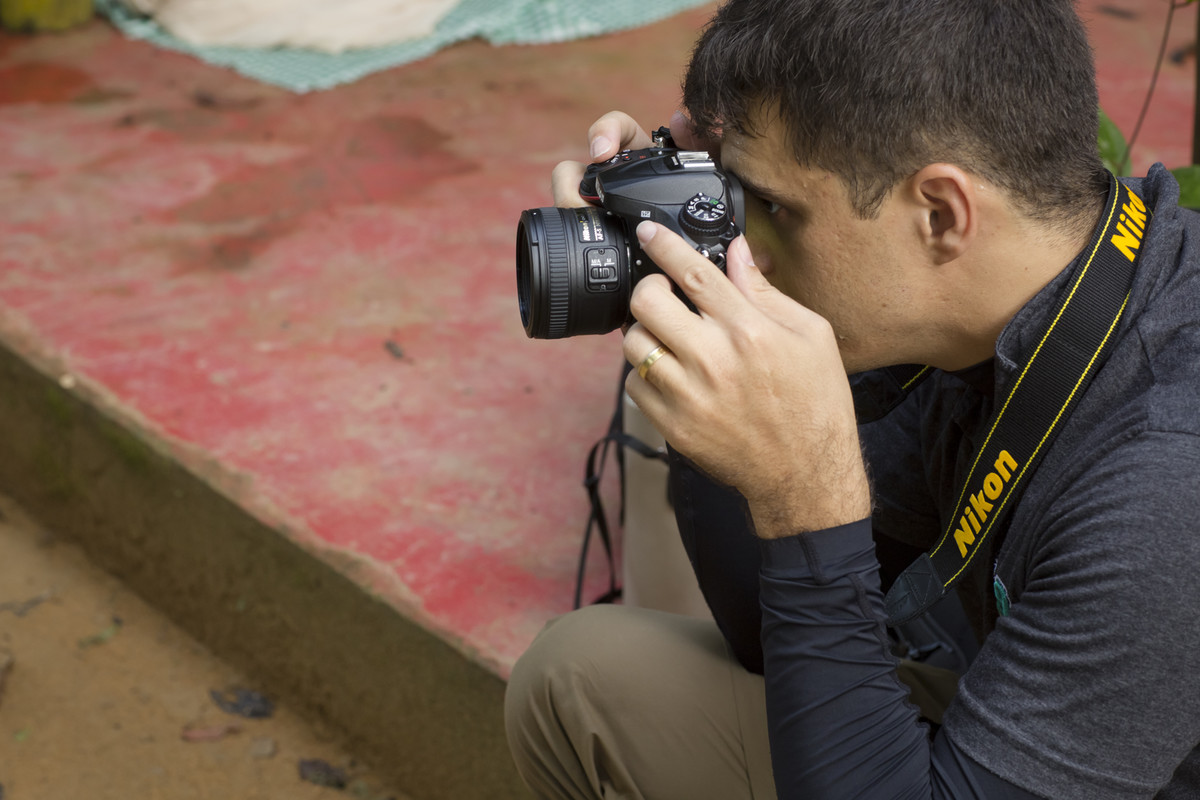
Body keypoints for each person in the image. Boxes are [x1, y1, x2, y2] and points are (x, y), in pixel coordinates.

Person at [504, 0, 1200, 797]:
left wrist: (809, 506)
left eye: (771, 206)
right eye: (725, 196)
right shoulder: (1002, 295)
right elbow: (768, 633)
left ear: (941, 213)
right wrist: (694, 294)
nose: (745, 244)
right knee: (585, 680)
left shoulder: (1165, 490)